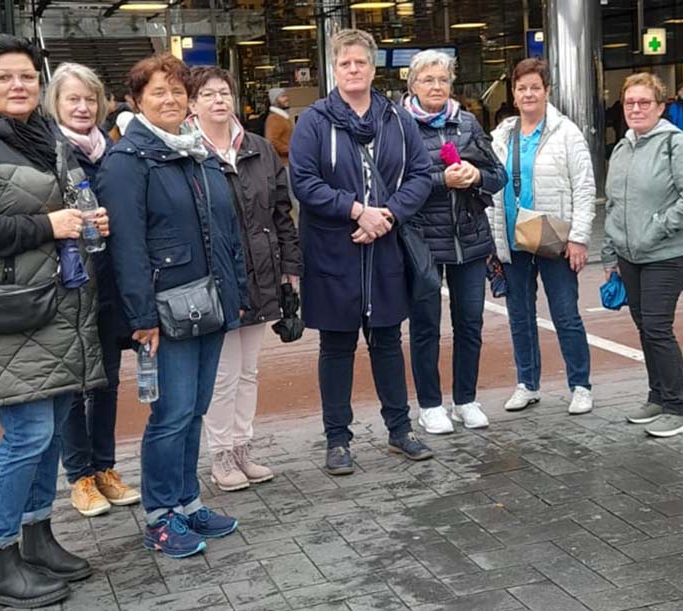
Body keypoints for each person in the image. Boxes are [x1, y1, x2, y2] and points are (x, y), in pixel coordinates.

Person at [0, 35, 108, 608]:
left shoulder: (41, 137)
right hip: (7, 311)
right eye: (5, 77)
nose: (19, 86)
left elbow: (59, 208)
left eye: (28, 76)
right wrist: (50, 226)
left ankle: (37, 537)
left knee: (52, 429)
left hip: (52, 304)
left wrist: (85, 220)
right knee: (26, 435)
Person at [97, 53, 247, 559]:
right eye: (157, 92)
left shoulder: (194, 154)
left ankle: (187, 501)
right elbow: (127, 248)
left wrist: (234, 296)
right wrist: (142, 318)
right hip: (166, 313)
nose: (170, 99)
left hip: (207, 304)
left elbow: (224, 233)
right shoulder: (126, 162)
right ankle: (161, 516)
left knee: (195, 410)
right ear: (136, 101)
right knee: (172, 413)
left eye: (178, 91)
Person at [288, 29, 435, 476]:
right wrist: (356, 211)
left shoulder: (395, 117)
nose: (353, 70)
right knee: (336, 347)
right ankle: (337, 439)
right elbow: (304, 181)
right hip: (334, 251)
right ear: (334, 69)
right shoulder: (313, 120)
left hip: (384, 248)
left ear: (374, 69)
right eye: (345, 63)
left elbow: (422, 175)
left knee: (388, 341)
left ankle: (399, 430)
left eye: (361, 63)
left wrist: (386, 216)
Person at [187, 66, 301, 492]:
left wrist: (291, 268)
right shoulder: (187, 151)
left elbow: (280, 212)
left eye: (224, 93)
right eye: (209, 94)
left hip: (261, 273)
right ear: (193, 103)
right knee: (222, 373)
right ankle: (220, 454)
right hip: (215, 278)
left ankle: (242, 447)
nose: (219, 100)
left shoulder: (258, 148)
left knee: (249, 370)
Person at [42, 62, 142, 519]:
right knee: (72, 386)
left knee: (105, 382)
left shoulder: (113, 152)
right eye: (72, 100)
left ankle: (105, 468)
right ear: (56, 105)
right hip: (66, 289)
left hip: (109, 286)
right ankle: (79, 475)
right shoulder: (46, 151)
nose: (83, 108)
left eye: (89, 99)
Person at [401, 50, 507, 435]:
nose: (436, 87)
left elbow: (499, 175)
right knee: (426, 326)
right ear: (412, 85)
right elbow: (392, 184)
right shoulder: (400, 126)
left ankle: (465, 399)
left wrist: (476, 174)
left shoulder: (467, 123)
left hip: (470, 238)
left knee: (470, 323)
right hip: (422, 240)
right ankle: (430, 405)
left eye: (442, 80)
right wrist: (439, 180)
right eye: (428, 80)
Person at [602, 73, 683, 438]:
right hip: (631, 255)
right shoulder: (622, 148)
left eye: (644, 102)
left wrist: (658, 227)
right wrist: (610, 253)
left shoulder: (676, 145)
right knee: (645, 327)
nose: (635, 109)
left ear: (661, 107)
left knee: (658, 327)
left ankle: (678, 408)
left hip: (669, 252)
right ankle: (658, 397)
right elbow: (614, 204)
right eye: (630, 102)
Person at [489, 58, 596, 416]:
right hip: (513, 239)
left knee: (565, 314)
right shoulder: (502, 134)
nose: (528, 93)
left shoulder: (567, 133)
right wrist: (493, 242)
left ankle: (580, 386)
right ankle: (527, 384)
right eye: (522, 88)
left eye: (535, 87)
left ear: (547, 91)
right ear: (514, 94)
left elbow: (584, 188)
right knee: (519, 315)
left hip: (555, 239)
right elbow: (490, 190)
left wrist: (579, 238)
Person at [264, 87, 294, 166]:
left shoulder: (282, 117)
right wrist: (291, 150)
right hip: (283, 163)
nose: (287, 98)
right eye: (283, 96)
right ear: (274, 101)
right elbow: (272, 141)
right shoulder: (274, 118)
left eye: (286, 96)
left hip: (288, 162)